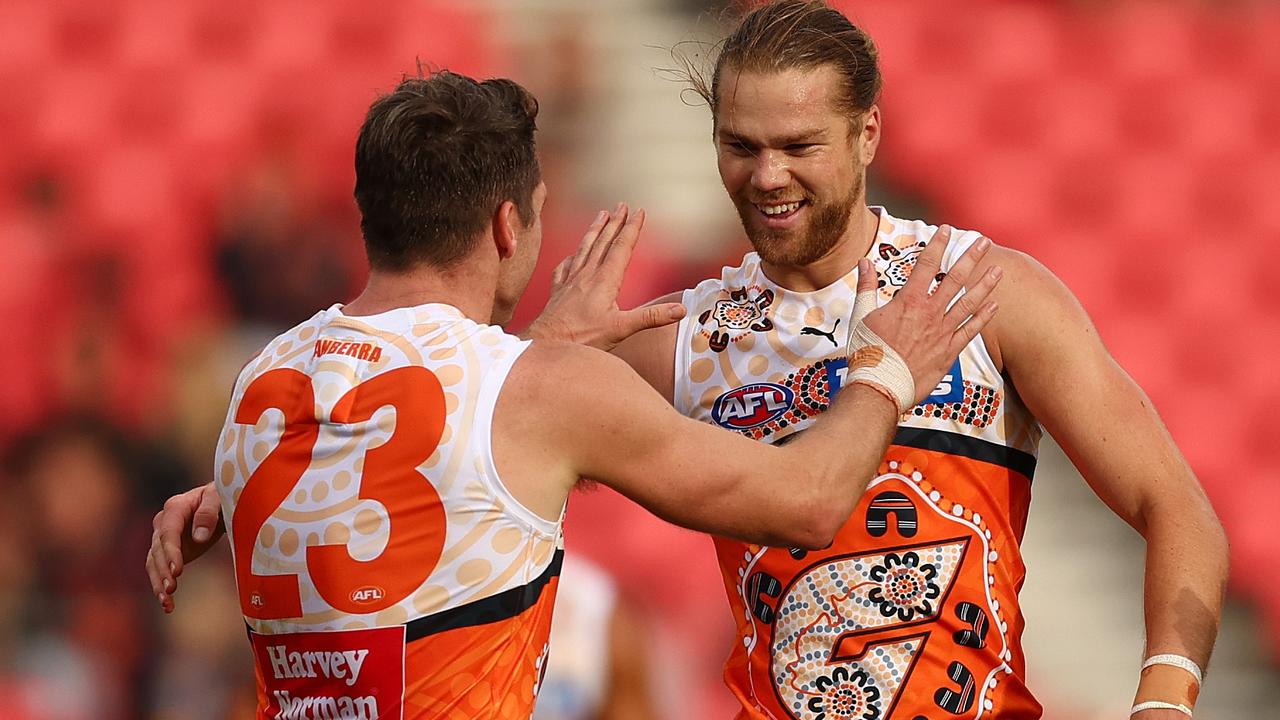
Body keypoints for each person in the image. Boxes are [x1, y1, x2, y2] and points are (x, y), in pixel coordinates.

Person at [150, 1, 1227, 717]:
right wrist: (246, 484)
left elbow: (1174, 505)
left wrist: (1163, 699)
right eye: (739, 145)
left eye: (798, 145)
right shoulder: (686, 336)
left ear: (866, 136)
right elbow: (457, 423)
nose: (765, 176)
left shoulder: (981, 295)